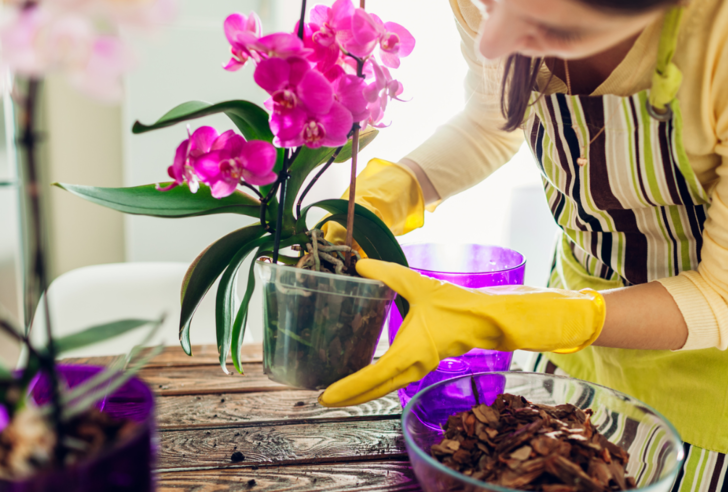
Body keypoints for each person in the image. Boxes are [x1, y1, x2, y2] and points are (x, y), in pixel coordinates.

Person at [318, 0, 728, 488]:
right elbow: (491, 119)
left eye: (544, 23)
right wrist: (381, 201)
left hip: (703, 404)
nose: (492, 39)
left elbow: (720, 295)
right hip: (568, 367)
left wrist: (515, 315)